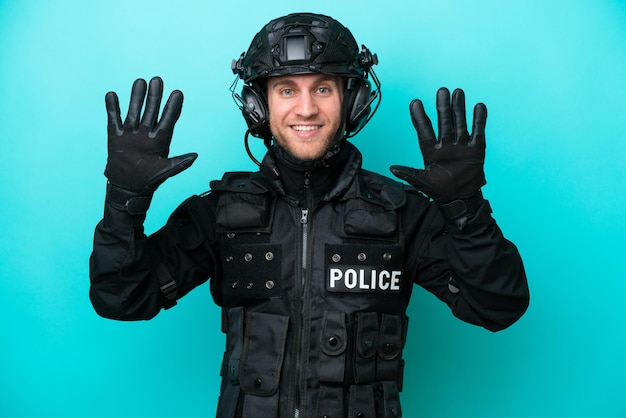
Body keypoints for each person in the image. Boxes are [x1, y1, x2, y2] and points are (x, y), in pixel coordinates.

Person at [90, 12, 529, 418]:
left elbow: (499, 307)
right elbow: (122, 299)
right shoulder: (219, 214)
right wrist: (124, 202)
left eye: (323, 88)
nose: (305, 109)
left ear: (352, 101)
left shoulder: (404, 214)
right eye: (286, 90)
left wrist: (465, 209)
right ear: (257, 107)